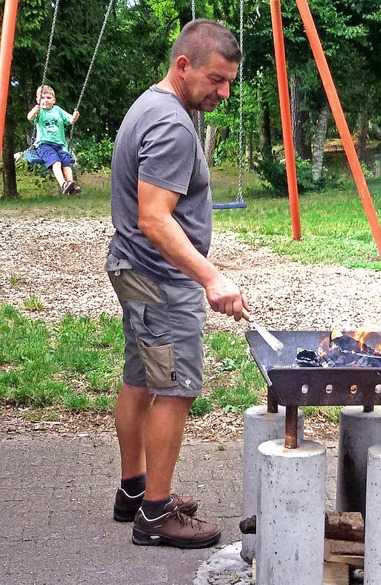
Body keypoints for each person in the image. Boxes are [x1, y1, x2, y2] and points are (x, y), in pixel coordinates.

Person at [106, 19, 248, 549]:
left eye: (230, 81)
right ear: (183, 65)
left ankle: (135, 491)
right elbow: (155, 218)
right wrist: (212, 278)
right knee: (175, 388)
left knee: (141, 376)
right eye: (216, 79)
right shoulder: (169, 124)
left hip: (136, 271)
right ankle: (155, 517)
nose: (223, 92)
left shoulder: (153, 106)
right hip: (161, 280)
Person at [26, 85, 82, 195]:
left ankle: (71, 185)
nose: (45, 100)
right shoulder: (39, 111)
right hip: (44, 145)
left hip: (60, 145)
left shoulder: (58, 110)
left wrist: (75, 117)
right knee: (56, 162)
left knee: (66, 163)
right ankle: (63, 184)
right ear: (38, 100)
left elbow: (70, 120)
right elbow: (30, 117)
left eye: (48, 98)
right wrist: (34, 110)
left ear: (54, 100)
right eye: (42, 98)